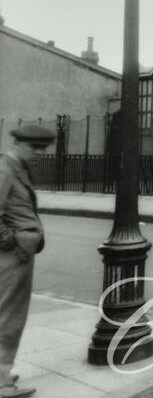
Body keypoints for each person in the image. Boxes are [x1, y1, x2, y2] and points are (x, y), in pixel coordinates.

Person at [0, 124, 56, 398]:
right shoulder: (5, 169)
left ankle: (2, 372)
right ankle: (2, 383)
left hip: (19, 250)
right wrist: (12, 242)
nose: (38, 154)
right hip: (13, 253)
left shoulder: (16, 168)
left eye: (42, 149)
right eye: (34, 148)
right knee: (9, 315)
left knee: (8, 312)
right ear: (19, 144)